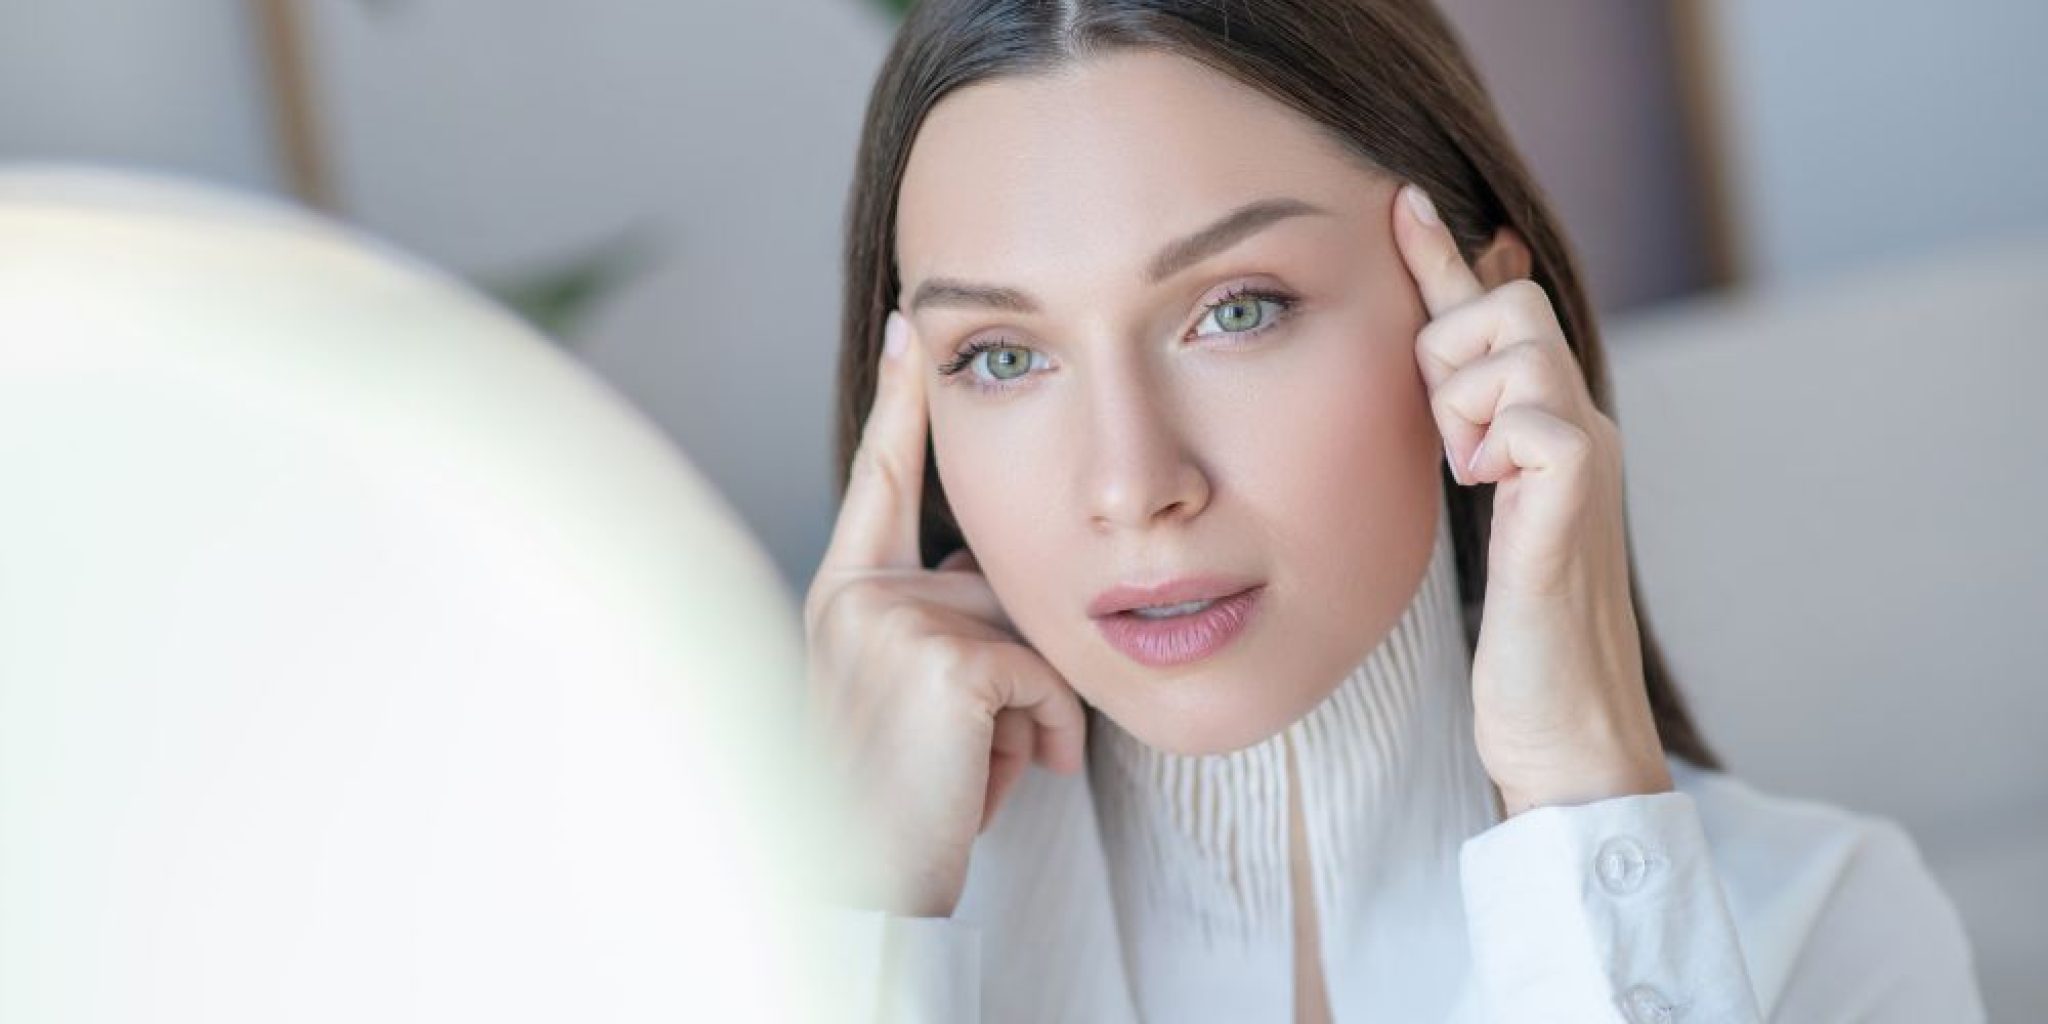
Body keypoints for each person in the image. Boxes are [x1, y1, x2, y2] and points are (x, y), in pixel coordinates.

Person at [803, 1, 1986, 1020]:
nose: (1129, 483)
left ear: (1483, 319)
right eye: (1002, 357)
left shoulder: (1826, 927)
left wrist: (1578, 793)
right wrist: (857, 913)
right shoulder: (789, 941)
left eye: (1237, 309)